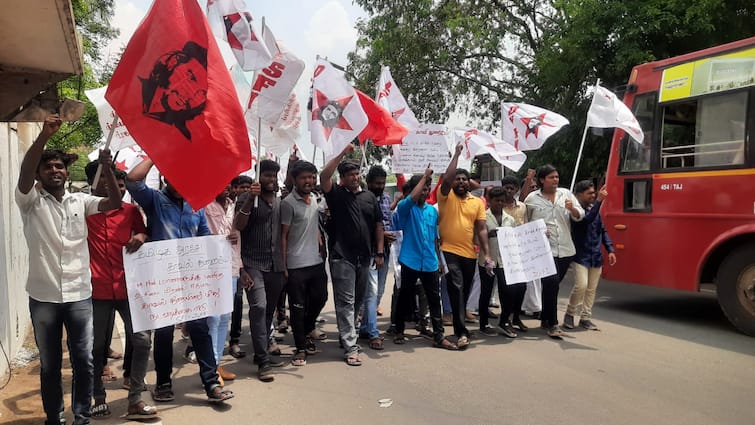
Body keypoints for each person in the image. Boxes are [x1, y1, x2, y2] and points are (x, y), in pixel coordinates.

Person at [15, 115, 122, 425]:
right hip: (44, 297)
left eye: (59, 166)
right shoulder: (30, 202)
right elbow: (24, 171)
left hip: (79, 295)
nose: (55, 171)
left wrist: (109, 169)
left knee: (85, 361)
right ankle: (54, 417)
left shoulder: (81, 200)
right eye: (47, 167)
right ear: (38, 176)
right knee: (49, 365)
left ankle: (82, 416)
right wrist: (44, 137)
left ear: (66, 171)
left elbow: (113, 204)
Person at [126, 158, 233, 403]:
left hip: (191, 281)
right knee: (163, 333)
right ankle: (163, 383)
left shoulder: (196, 207)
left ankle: (211, 384)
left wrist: (222, 245)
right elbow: (132, 181)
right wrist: (155, 156)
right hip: (162, 281)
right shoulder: (155, 200)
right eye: (175, 177)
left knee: (200, 329)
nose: (180, 183)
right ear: (165, 177)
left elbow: (205, 238)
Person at [84, 161, 157, 420]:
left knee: (141, 340)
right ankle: (97, 396)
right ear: (91, 181)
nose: (107, 183)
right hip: (95, 289)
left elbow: (144, 231)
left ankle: (135, 398)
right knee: (96, 346)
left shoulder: (129, 210)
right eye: (101, 178)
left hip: (129, 288)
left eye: (111, 179)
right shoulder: (80, 210)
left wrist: (141, 237)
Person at [320, 144, 384, 366]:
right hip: (342, 256)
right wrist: (341, 153)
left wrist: (380, 251)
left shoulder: (369, 197)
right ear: (343, 178)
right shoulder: (336, 196)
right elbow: (324, 176)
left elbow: (378, 225)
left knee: (358, 301)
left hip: (364, 257)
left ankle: (347, 335)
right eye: (350, 175)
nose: (355, 178)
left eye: (357, 174)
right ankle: (351, 347)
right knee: (345, 302)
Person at [393, 169, 457, 350]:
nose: (425, 192)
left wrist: (438, 261)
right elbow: (410, 198)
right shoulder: (405, 208)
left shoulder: (432, 211)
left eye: (427, 188)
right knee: (405, 297)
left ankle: (439, 335)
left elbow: (435, 238)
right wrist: (423, 178)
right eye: (422, 188)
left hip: (429, 261)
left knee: (434, 299)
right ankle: (399, 330)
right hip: (410, 260)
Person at [234, 159, 286, 382]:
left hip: (275, 265)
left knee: (267, 312)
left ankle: (260, 351)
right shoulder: (246, 198)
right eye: (267, 176)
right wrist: (250, 199)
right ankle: (264, 363)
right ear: (258, 176)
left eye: (274, 176)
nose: (271, 180)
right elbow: (239, 225)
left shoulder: (279, 201)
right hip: (252, 264)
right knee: (259, 306)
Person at [437, 144, 492, 349]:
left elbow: (482, 229)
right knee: (457, 288)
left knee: (464, 290)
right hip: (448, 251)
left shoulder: (477, 202)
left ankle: (460, 327)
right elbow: (446, 178)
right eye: (456, 179)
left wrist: (486, 254)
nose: (459, 182)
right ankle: (461, 332)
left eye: (463, 179)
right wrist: (458, 155)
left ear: (469, 183)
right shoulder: (445, 196)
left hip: (470, 254)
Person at [524, 164, 584, 338]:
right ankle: (553, 323)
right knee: (551, 282)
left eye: (557, 177)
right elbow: (525, 222)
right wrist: (537, 231)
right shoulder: (532, 198)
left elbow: (580, 215)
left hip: (565, 248)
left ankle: (545, 317)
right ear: (542, 180)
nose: (555, 180)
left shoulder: (566, 194)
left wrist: (572, 208)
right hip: (544, 249)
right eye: (551, 177)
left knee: (553, 285)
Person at [280, 160, 329, 366]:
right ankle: (300, 348)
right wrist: (283, 266)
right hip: (295, 264)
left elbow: (314, 225)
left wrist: (319, 242)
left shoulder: (316, 199)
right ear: (294, 179)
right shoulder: (288, 204)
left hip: (315, 262)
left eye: (311, 177)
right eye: (304, 177)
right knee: (298, 307)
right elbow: (283, 235)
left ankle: (307, 327)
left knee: (321, 298)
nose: (309, 181)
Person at [204, 184, 244, 383]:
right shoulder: (203, 205)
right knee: (214, 318)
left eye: (230, 183)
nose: (227, 187)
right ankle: (210, 369)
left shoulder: (233, 205)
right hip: (211, 268)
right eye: (222, 182)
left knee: (225, 317)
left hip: (231, 267)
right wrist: (216, 239)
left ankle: (217, 364)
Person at [564, 181, 617, 331]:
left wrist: (610, 249)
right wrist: (599, 201)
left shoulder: (594, 209)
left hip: (596, 255)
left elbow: (602, 230)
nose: (593, 196)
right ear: (579, 195)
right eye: (590, 193)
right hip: (581, 255)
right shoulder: (575, 211)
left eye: (594, 193)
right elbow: (586, 221)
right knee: (581, 285)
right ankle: (570, 313)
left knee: (591, 289)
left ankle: (586, 317)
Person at [477, 186, 523, 338]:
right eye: (496, 201)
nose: (499, 204)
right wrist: (488, 235)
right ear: (489, 201)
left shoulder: (509, 219)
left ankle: (504, 321)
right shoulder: (483, 217)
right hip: (487, 260)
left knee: (508, 291)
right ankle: (483, 323)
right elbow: (474, 239)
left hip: (505, 261)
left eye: (502, 201)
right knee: (486, 291)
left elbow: (516, 237)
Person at [358, 165, 395, 350]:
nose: (380, 186)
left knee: (379, 292)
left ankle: (365, 327)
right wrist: (381, 238)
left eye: (382, 183)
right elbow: (364, 226)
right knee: (371, 293)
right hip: (371, 251)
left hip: (386, 251)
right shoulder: (363, 199)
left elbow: (386, 220)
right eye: (377, 183)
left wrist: (390, 234)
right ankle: (373, 333)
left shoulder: (386, 197)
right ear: (369, 183)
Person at [499, 176, 530, 333]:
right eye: (506, 188)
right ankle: (505, 319)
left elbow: (526, 225)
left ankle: (516, 317)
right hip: (503, 253)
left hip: (520, 252)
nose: (509, 191)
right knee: (507, 288)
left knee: (522, 287)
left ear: (517, 190)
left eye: (512, 188)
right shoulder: (498, 207)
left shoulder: (522, 207)